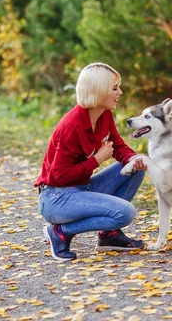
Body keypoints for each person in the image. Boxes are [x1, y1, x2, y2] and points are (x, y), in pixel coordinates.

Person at [35, 63, 148, 261]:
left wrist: (133, 159)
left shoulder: (104, 115)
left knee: (134, 167)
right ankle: (60, 232)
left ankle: (109, 235)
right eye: (114, 88)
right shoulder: (71, 127)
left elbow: (118, 145)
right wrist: (96, 160)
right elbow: (58, 177)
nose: (120, 92)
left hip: (81, 189)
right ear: (98, 90)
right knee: (125, 213)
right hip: (56, 198)